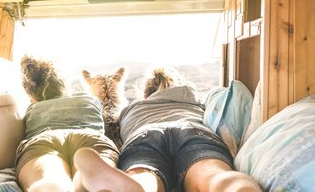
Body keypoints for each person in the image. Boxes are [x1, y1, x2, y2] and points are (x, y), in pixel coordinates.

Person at [72, 68, 262, 192]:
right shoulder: (192, 99)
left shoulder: (133, 107)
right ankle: (235, 188)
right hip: (191, 128)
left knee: (144, 174)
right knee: (211, 174)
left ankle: (138, 186)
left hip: (145, 134)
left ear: (146, 94)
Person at [15, 55, 119, 192]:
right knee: (91, 174)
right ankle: (87, 180)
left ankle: (52, 185)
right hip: (89, 136)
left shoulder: (32, 109)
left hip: (45, 138)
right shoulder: (90, 100)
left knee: (50, 174)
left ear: (32, 96)